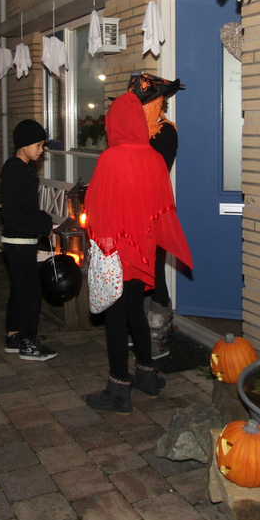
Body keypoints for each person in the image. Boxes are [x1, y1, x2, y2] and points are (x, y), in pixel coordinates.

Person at [83, 91, 192, 413]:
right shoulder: (155, 159)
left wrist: (101, 243)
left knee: (115, 319)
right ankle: (146, 375)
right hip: (143, 253)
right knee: (135, 312)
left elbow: (95, 208)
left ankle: (119, 389)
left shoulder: (110, 159)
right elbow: (163, 207)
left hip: (117, 253)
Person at [127, 73, 185, 360]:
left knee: (156, 272)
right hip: (130, 210)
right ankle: (138, 328)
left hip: (154, 209)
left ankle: (159, 336)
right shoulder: (131, 131)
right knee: (135, 270)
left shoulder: (166, 132)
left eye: (143, 103)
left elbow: (154, 169)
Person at [0, 119, 58, 361]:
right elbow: (17, 212)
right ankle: (28, 342)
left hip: (20, 239)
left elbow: (28, 208)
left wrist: (44, 222)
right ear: (24, 144)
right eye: (38, 145)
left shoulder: (22, 168)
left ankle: (14, 335)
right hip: (19, 240)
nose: (41, 150)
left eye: (42, 145)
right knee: (31, 291)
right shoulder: (16, 171)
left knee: (19, 288)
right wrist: (43, 225)